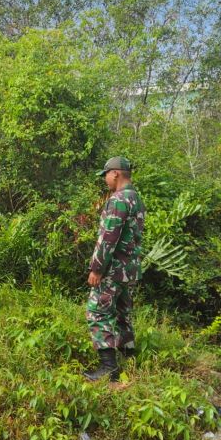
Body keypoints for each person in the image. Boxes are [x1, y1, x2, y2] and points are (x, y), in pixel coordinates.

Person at [83, 156, 146, 382]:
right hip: (129, 269)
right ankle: (130, 359)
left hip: (113, 269)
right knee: (122, 314)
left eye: (106, 175)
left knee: (97, 312)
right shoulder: (136, 199)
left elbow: (109, 238)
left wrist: (97, 268)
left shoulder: (119, 200)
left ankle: (109, 367)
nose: (105, 180)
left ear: (116, 174)